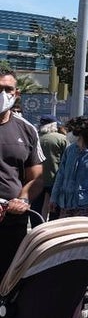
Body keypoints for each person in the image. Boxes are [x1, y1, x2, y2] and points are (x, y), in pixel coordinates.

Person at [0, 72, 43, 274]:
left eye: (7, 89)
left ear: (16, 93)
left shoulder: (27, 130)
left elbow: (36, 178)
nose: (3, 93)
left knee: (9, 280)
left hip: (12, 221)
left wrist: (23, 199)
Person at [47, 117, 88, 219]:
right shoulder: (70, 150)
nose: (68, 134)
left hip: (87, 204)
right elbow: (60, 175)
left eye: (71, 130)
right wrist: (54, 198)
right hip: (66, 203)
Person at [34, 117, 68, 216]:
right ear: (54, 125)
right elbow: (67, 159)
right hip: (55, 179)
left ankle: (37, 224)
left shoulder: (34, 137)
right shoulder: (61, 138)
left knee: (36, 207)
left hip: (36, 180)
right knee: (55, 208)